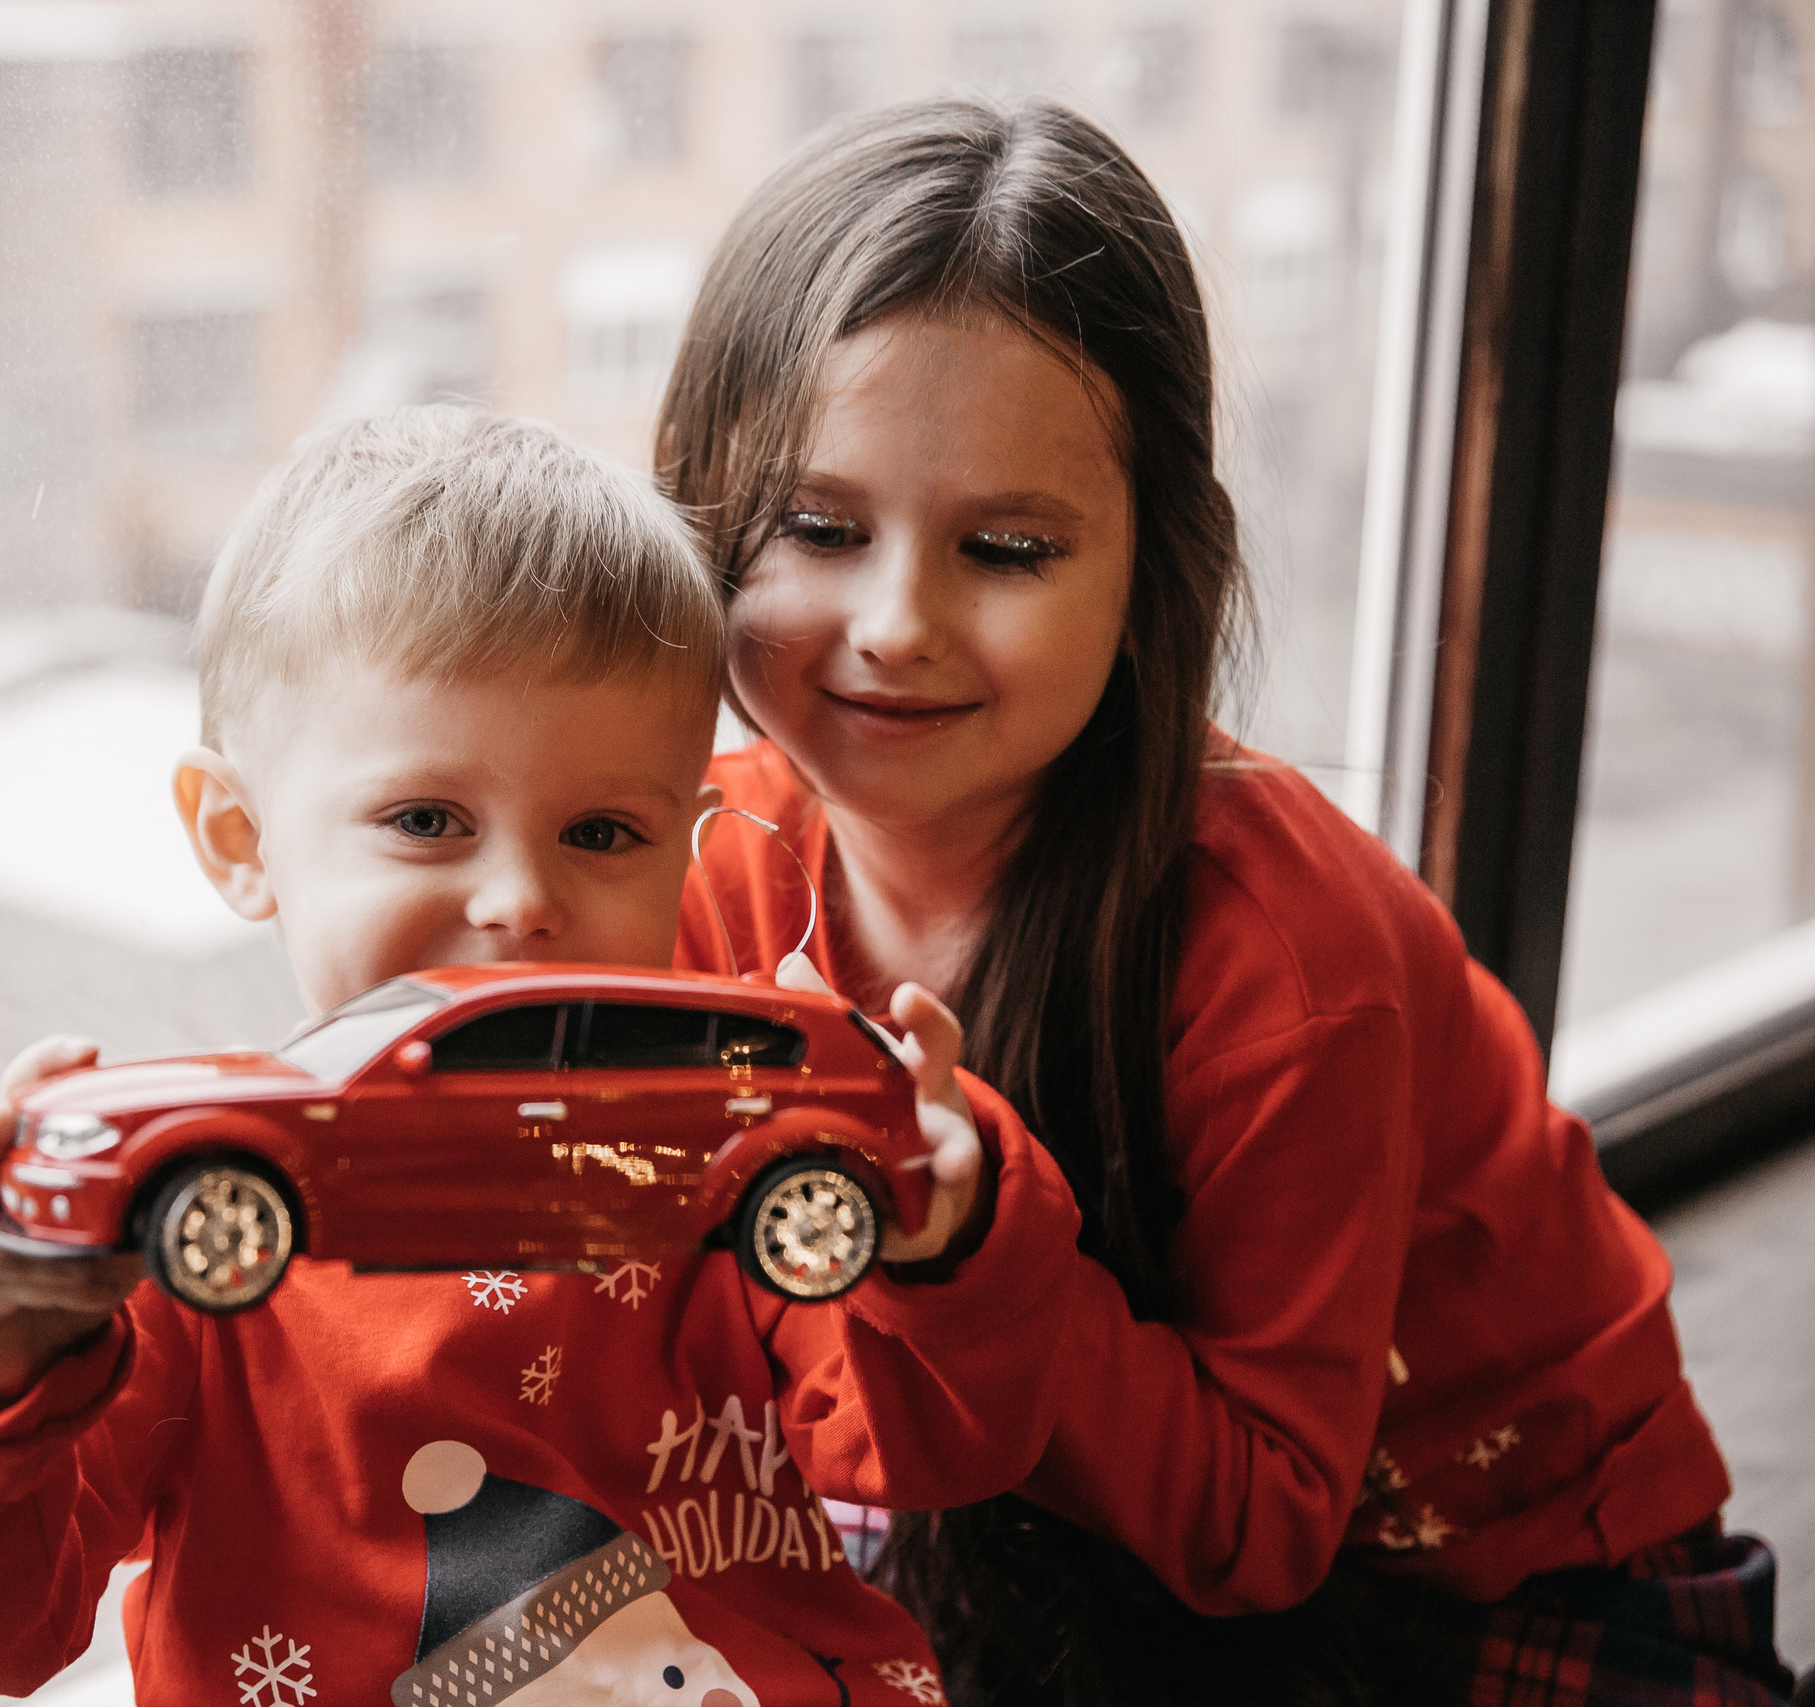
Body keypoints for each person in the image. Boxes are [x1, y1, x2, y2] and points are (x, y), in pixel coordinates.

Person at [658, 97, 1798, 1706]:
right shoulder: (696, 852)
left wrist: (970, 1257)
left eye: (1002, 546)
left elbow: (1262, 1530)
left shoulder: (1289, 956)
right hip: (1046, 1511)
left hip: (1479, 1555)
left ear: (1149, 577)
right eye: (819, 528)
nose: (894, 622)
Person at [0, 405, 1085, 1705]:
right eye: (427, 820)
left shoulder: (708, 1158)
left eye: (602, 833)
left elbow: (935, 1453)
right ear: (241, 839)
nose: (519, 900)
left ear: (690, 845)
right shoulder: (192, 1238)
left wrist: (945, 1237)